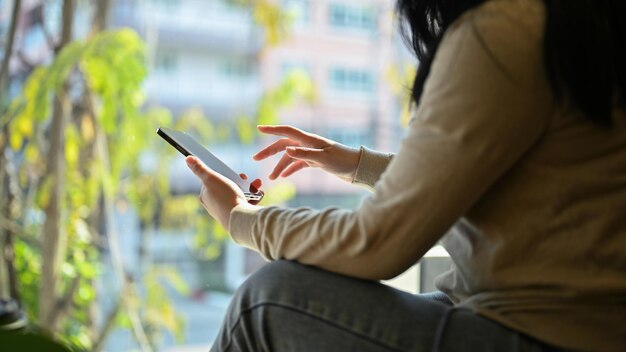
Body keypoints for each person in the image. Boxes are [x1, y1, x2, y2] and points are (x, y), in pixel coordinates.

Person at [185, 0, 626, 350]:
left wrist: (240, 219)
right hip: (572, 323)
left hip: (544, 333)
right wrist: (358, 164)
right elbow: (484, 180)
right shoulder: (567, 18)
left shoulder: (506, 28)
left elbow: (376, 243)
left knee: (267, 300)